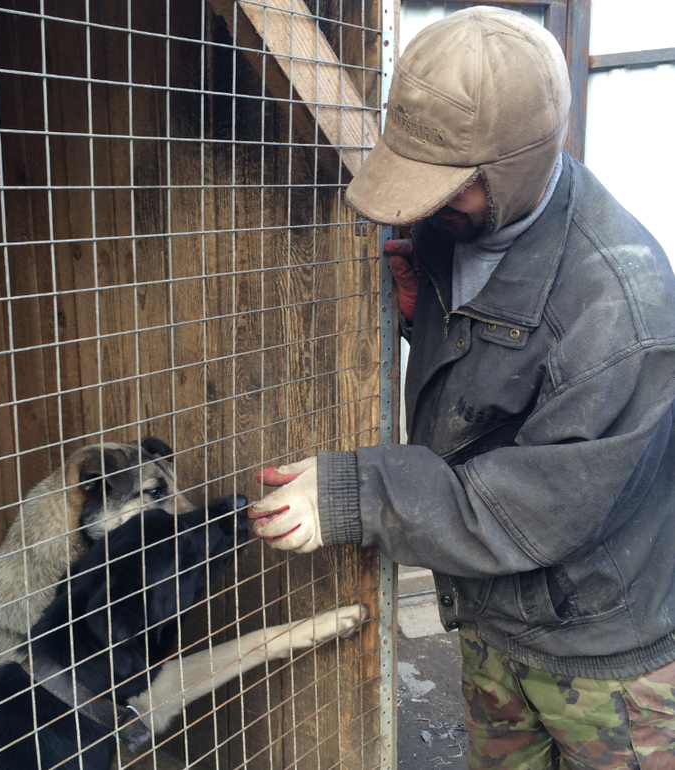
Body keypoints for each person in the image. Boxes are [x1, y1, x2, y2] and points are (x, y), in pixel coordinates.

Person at [248, 6, 675, 769]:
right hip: (490, 614)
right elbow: (501, 394)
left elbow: (534, 507)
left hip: (601, 645)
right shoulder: (453, 226)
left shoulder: (623, 308)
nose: (424, 204)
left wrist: (356, 492)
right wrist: (426, 321)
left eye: (448, 185)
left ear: (515, 168)